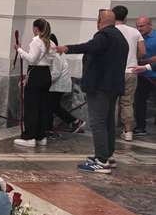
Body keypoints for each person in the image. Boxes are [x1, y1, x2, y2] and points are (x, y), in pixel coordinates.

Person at [55, 9, 128, 173]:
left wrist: (67, 48)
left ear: (100, 20)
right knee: (108, 121)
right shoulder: (119, 36)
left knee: (98, 122)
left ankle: (101, 161)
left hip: (100, 87)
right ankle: (107, 155)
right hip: (112, 86)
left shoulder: (104, 36)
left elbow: (89, 47)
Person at [14, 18, 56, 147]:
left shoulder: (36, 41)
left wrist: (19, 50)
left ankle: (30, 137)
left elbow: (32, 59)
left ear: (36, 29)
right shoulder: (51, 43)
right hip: (46, 74)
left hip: (36, 74)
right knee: (42, 106)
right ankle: (41, 136)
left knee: (31, 106)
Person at [112, 5, 144, 142]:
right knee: (127, 103)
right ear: (126, 17)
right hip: (131, 71)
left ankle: (110, 129)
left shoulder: (110, 31)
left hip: (113, 72)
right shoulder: (135, 32)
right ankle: (128, 131)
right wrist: (134, 59)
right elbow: (142, 51)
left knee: (112, 102)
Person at [47, 32, 84, 135]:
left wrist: (44, 80)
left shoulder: (55, 54)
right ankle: (49, 128)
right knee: (52, 106)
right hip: (59, 84)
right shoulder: (55, 53)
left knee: (51, 106)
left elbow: (55, 72)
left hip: (58, 85)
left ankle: (75, 121)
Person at [133, 15, 156, 134]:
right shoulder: (137, 37)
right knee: (139, 101)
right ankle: (140, 126)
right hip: (143, 75)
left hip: (154, 74)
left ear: (149, 25)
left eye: (141, 26)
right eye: (137, 26)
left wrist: (146, 61)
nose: (139, 28)